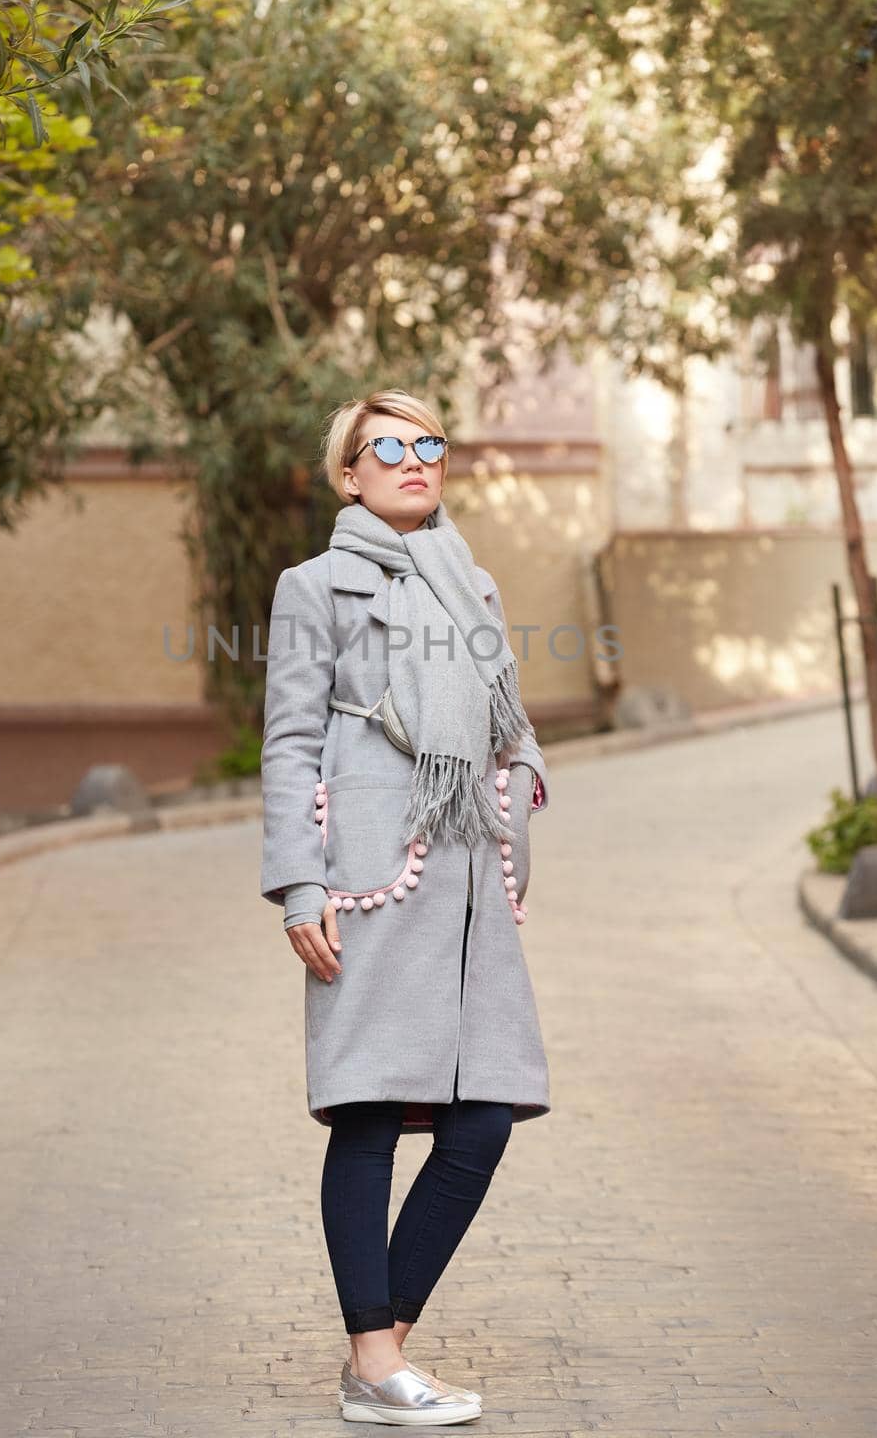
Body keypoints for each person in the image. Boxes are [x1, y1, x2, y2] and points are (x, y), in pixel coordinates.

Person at [259, 388, 551, 1425]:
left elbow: (504, 714)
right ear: (349, 473)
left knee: (481, 1121)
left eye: (429, 442)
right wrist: (297, 880)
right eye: (387, 446)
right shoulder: (314, 586)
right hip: (372, 870)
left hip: (466, 876)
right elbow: (290, 742)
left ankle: (378, 1344)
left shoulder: (469, 580)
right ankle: (375, 1361)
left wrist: (518, 780)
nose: (414, 458)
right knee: (371, 1110)